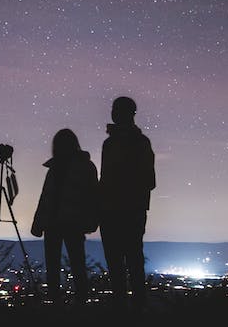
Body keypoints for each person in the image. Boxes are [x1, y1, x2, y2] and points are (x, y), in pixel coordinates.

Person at [30, 128, 100, 305]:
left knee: (64, 264)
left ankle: (65, 302)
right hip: (66, 222)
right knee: (74, 264)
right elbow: (93, 196)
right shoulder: (82, 167)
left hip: (64, 223)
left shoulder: (60, 168)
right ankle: (76, 302)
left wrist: (38, 223)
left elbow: (45, 198)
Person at [99, 95, 156, 312]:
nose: (113, 113)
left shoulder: (117, 143)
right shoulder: (136, 142)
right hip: (130, 210)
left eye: (116, 109)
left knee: (121, 260)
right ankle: (132, 307)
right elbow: (149, 181)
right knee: (131, 259)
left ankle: (124, 308)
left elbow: (147, 181)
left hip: (119, 210)